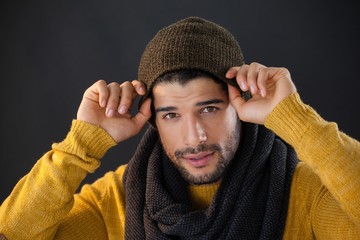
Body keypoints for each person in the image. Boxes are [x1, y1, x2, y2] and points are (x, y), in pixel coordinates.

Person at [0, 16, 359, 240]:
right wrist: (80, 145)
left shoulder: (303, 193)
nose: (195, 137)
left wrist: (296, 120)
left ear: (240, 105)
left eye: (209, 108)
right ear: (153, 120)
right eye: (171, 115)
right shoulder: (117, 201)